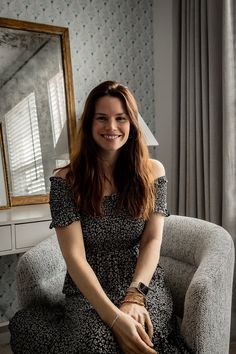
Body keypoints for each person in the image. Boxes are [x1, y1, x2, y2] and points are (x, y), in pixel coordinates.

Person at [9, 81, 191, 354]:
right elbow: (75, 258)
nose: (112, 127)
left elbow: (152, 240)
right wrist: (115, 318)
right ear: (89, 124)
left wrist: (135, 296)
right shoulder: (65, 181)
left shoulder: (154, 171)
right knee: (98, 344)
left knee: (145, 333)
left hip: (140, 280)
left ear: (131, 123)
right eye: (102, 118)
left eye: (121, 118)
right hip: (88, 286)